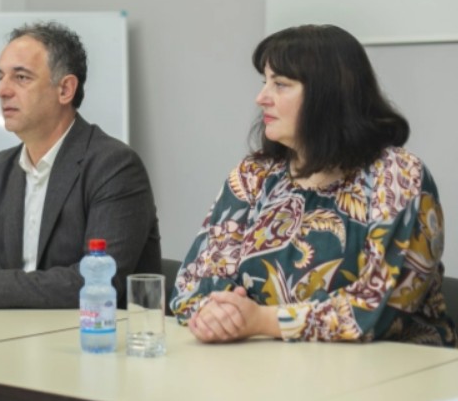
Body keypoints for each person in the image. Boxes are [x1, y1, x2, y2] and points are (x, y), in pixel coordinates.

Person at [170, 24, 457, 346]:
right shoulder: (254, 174)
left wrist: (261, 320)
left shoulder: (397, 176)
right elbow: (191, 286)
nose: (261, 98)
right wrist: (216, 314)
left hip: (394, 367)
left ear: (329, 96)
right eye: (265, 82)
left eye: (280, 84)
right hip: (268, 362)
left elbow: (375, 311)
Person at [0, 21, 161, 308]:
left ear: (65, 89)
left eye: (21, 77)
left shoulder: (113, 165)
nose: (2, 90)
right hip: (17, 328)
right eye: (0, 76)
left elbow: (99, 281)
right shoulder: (2, 168)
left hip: (96, 331)